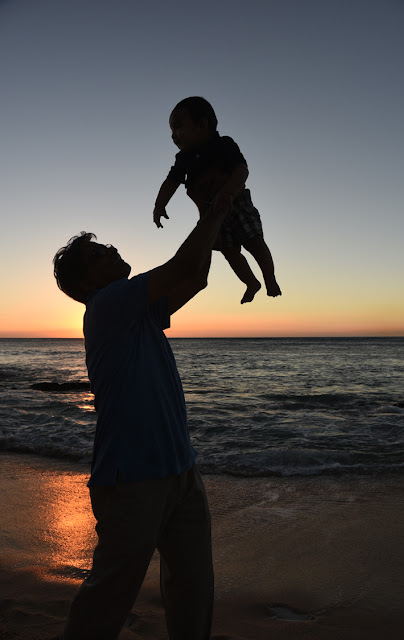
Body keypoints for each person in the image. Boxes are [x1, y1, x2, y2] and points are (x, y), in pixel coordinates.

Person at [52, 199, 230, 640]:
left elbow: (197, 276)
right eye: (100, 252)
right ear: (86, 280)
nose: (112, 249)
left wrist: (214, 219)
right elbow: (185, 262)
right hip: (132, 478)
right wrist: (221, 201)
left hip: (180, 469)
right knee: (107, 598)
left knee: (193, 590)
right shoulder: (109, 303)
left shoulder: (136, 311)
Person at [153, 96, 282, 304]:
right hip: (211, 215)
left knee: (254, 242)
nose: (173, 136)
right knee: (230, 252)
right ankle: (251, 282)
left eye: (178, 128)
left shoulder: (223, 145)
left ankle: (269, 278)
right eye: (171, 131)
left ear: (202, 124)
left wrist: (228, 193)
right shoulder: (183, 159)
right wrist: (160, 205)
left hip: (236, 203)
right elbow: (171, 181)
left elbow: (242, 170)